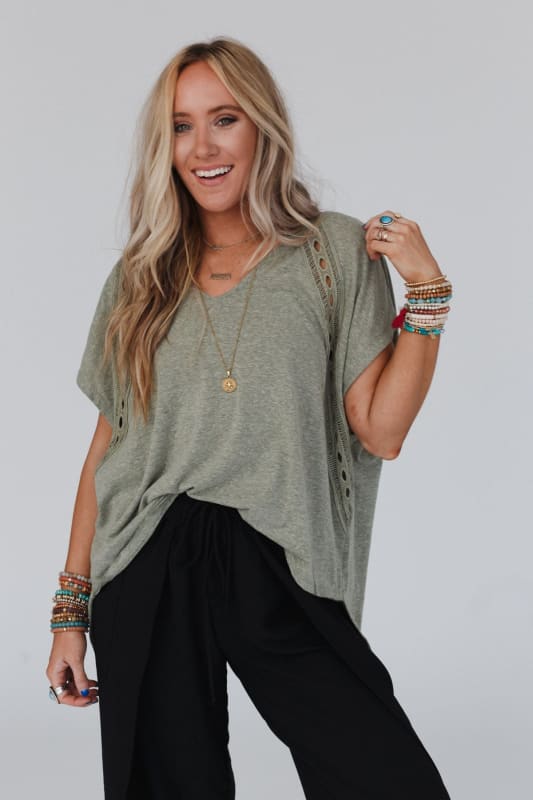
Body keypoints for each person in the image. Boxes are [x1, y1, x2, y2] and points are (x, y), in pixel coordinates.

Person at [45, 36, 453, 799]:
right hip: (146, 553)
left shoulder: (333, 252)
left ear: (262, 125)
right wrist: (70, 610)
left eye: (223, 119)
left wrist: (426, 294)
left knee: (382, 775)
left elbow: (380, 431)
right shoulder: (139, 278)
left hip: (280, 551)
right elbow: (108, 445)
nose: (202, 147)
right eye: (180, 126)